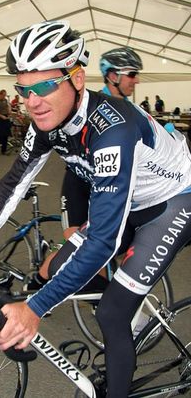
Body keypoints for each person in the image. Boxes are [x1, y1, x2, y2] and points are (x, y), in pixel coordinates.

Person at [0, 20, 191, 398]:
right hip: (129, 199)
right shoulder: (46, 122)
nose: (32, 101)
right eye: (23, 90)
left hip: (174, 200)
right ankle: (125, 295)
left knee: (113, 311)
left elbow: (104, 239)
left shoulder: (114, 128)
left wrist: (36, 308)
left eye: (44, 86)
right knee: (59, 268)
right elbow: (13, 183)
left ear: (77, 78)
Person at [26, 46, 144, 291]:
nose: (137, 80)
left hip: (111, 187)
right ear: (113, 76)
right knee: (80, 247)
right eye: (132, 74)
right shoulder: (90, 104)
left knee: (111, 247)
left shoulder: (130, 109)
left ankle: (103, 291)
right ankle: (38, 284)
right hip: (79, 186)